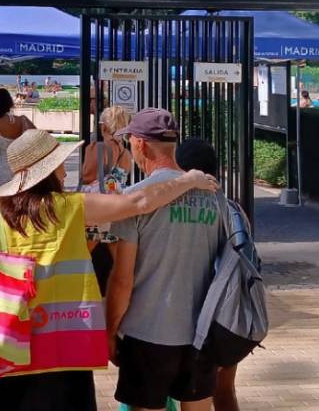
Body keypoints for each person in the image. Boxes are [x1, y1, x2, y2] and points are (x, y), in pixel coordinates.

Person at [0, 129, 219, 411]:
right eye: (60, 165)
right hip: (60, 353)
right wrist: (189, 179)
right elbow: (138, 202)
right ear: (48, 171)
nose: (65, 174)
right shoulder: (69, 208)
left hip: (1, 349)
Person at [107, 108, 226, 411]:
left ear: (140, 144)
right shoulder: (214, 196)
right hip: (201, 330)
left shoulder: (133, 198)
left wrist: (109, 331)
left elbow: (122, 280)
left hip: (147, 332)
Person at [174, 138, 250, 411]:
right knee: (224, 389)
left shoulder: (179, 209)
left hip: (192, 314)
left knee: (192, 395)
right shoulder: (233, 209)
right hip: (230, 316)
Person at [80, 106, 134, 250]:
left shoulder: (98, 147)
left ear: (103, 127)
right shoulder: (126, 154)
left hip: (96, 209)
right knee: (117, 263)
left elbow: (87, 176)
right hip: (116, 210)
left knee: (82, 256)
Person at [0, 88, 35, 204]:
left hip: (1, 174)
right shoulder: (23, 120)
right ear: (10, 102)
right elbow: (38, 138)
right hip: (21, 173)